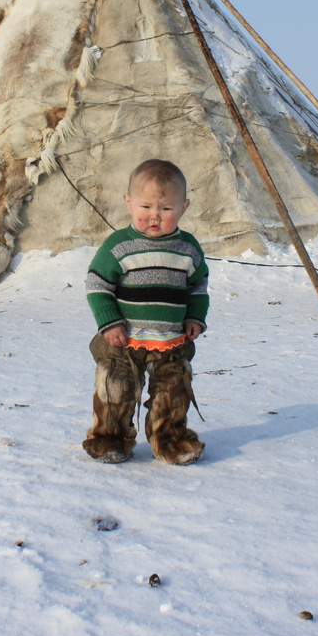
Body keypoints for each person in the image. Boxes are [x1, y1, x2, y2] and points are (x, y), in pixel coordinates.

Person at [84, 159, 209, 465]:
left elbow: (198, 285)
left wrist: (195, 316)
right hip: (123, 340)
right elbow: (97, 284)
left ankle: (170, 439)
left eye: (166, 209)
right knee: (116, 387)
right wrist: (108, 322)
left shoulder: (187, 249)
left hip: (171, 339)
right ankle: (110, 438)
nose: (155, 216)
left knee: (174, 390)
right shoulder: (119, 246)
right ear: (128, 203)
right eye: (145, 207)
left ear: (183, 207)